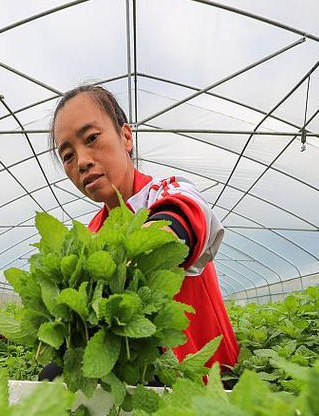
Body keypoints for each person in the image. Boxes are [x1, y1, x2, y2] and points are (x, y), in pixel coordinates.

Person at [38, 84, 239, 380]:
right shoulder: (92, 233)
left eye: (92, 138)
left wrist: (125, 257)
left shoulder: (165, 192)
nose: (81, 161)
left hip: (208, 380)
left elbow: (181, 220)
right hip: (139, 386)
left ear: (126, 136)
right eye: (67, 156)